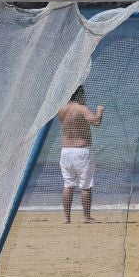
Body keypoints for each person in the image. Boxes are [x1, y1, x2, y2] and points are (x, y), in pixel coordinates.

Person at [57, 87, 104, 224]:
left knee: (68, 185)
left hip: (65, 151)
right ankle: (86, 217)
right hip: (81, 150)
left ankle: (66, 217)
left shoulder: (61, 109)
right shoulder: (81, 108)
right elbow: (95, 122)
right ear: (80, 94)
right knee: (85, 186)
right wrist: (99, 112)